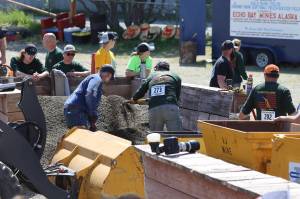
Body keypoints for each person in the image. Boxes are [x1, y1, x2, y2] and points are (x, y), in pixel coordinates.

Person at [132, 61, 182, 131]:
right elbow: (177, 96)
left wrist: (134, 99)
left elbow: (140, 92)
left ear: (157, 68)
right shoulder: (176, 76)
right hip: (171, 107)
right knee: (176, 135)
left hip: (154, 109)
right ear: (168, 69)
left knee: (155, 137)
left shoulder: (152, 76)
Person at [64, 65, 115, 131]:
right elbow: (89, 94)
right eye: (110, 77)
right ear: (108, 74)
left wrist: (91, 121)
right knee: (81, 136)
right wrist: (92, 113)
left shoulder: (93, 78)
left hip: (73, 109)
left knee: (77, 137)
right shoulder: (97, 79)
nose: (109, 80)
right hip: (77, 110)